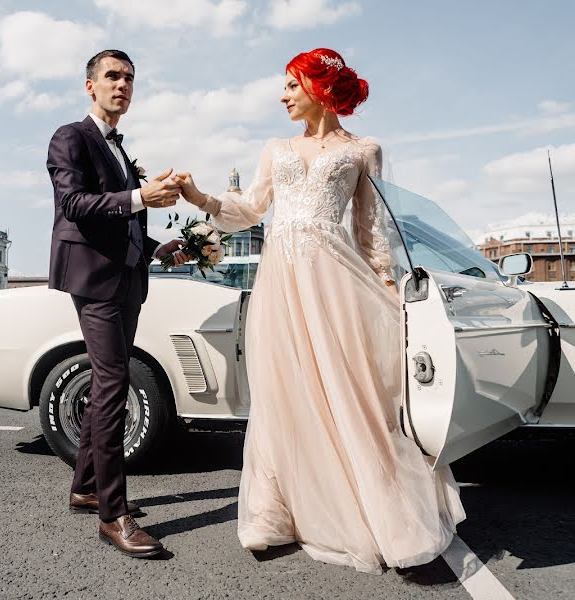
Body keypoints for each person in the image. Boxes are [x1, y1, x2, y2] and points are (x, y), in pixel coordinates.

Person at [173, 48, 465, 573]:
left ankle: (381, 514)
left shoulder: (364, 151)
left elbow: (370, 231)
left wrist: (390, 288)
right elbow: (249, 210)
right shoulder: (276, 148)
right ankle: (273, 513)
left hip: (336, 283)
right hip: (281, 284)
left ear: (318, 86)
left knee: (352, 393)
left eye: (291, 84)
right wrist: (200, 197)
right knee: (283, 391)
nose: (282, 95)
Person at [46, 49, 188, 559]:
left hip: (127, 280)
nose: (122, 85)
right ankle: (113, 515)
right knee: (113, 384)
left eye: (129, 78)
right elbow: (74, 205)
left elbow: (125, 225)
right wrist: (140, 199)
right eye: (112, 76)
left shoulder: (122, 152)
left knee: (111, 380)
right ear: (90, 86)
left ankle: (85, 487)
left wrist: (161, 250)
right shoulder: (71, 137)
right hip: (93, 281)